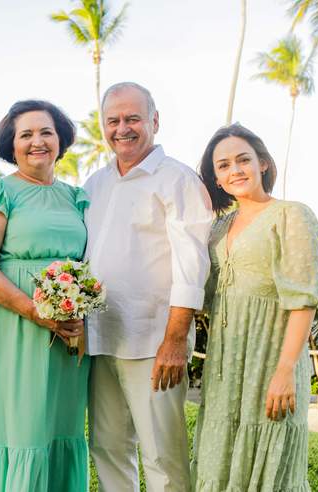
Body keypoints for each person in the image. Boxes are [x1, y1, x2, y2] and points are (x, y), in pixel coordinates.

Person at [82, 82, 213, 492]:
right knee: (108, 449)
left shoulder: (177, 179)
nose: (123, 128)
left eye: (133, 118)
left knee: (162, 458)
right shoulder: (94, 183)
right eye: (113, 120)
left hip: (154, 342)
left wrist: (175, 340)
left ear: (154, 121)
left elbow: (192, 266)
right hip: (100, 339)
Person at [0, 99, 90, 490]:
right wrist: (37, 312)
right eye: (26, 134)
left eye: (46, 132)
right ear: (11, 144)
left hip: (69, 330)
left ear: (61, 140)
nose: (37, 142)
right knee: (24, 430)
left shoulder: (76, 196)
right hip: (16, 326)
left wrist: (77, 312)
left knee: (62, 428)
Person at [191, 124, 318, 491]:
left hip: (271, 356)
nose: (235, 170)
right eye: (223, 165)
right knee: (221, 456)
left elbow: (304, 299)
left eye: (243, 159)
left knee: (271, 460)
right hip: (225, 363)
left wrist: (284, 370)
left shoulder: (291, 215)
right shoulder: (217, 227)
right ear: (215, 177)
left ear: (262, 163)